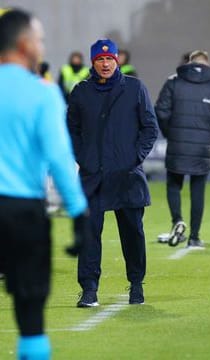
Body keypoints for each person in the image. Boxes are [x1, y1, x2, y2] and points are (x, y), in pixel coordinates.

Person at [0, 8, 90, 359]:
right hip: (23, 212)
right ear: (24, 45)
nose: (41, 46)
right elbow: (59, 159)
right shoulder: (43, 94)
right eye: (39, 39)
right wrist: (79, 213)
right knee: (31, 315)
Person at [67, 38, 158, 307]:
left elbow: (150, 128)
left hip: (127, 176)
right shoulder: (81, 92)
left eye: (110, 59)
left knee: (132, 233)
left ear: (117, 61)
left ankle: (136, 284)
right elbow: (71, 129)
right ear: (92, 62)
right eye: (100, 59)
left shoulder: (135, 88)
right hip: (92, 176)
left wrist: (135, 158)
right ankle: (89, 290)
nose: (105, 64)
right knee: (88, 235)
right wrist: (83, 157)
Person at [155, 50, 210, 249]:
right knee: (198, 190)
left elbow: (161, 110)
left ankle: (177, 222)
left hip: (177, 142)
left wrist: (171, 133)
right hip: (202, 146)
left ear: (189, 63)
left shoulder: (173, 82)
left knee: (174, 185)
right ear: (208, 64)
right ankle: (194, 237)